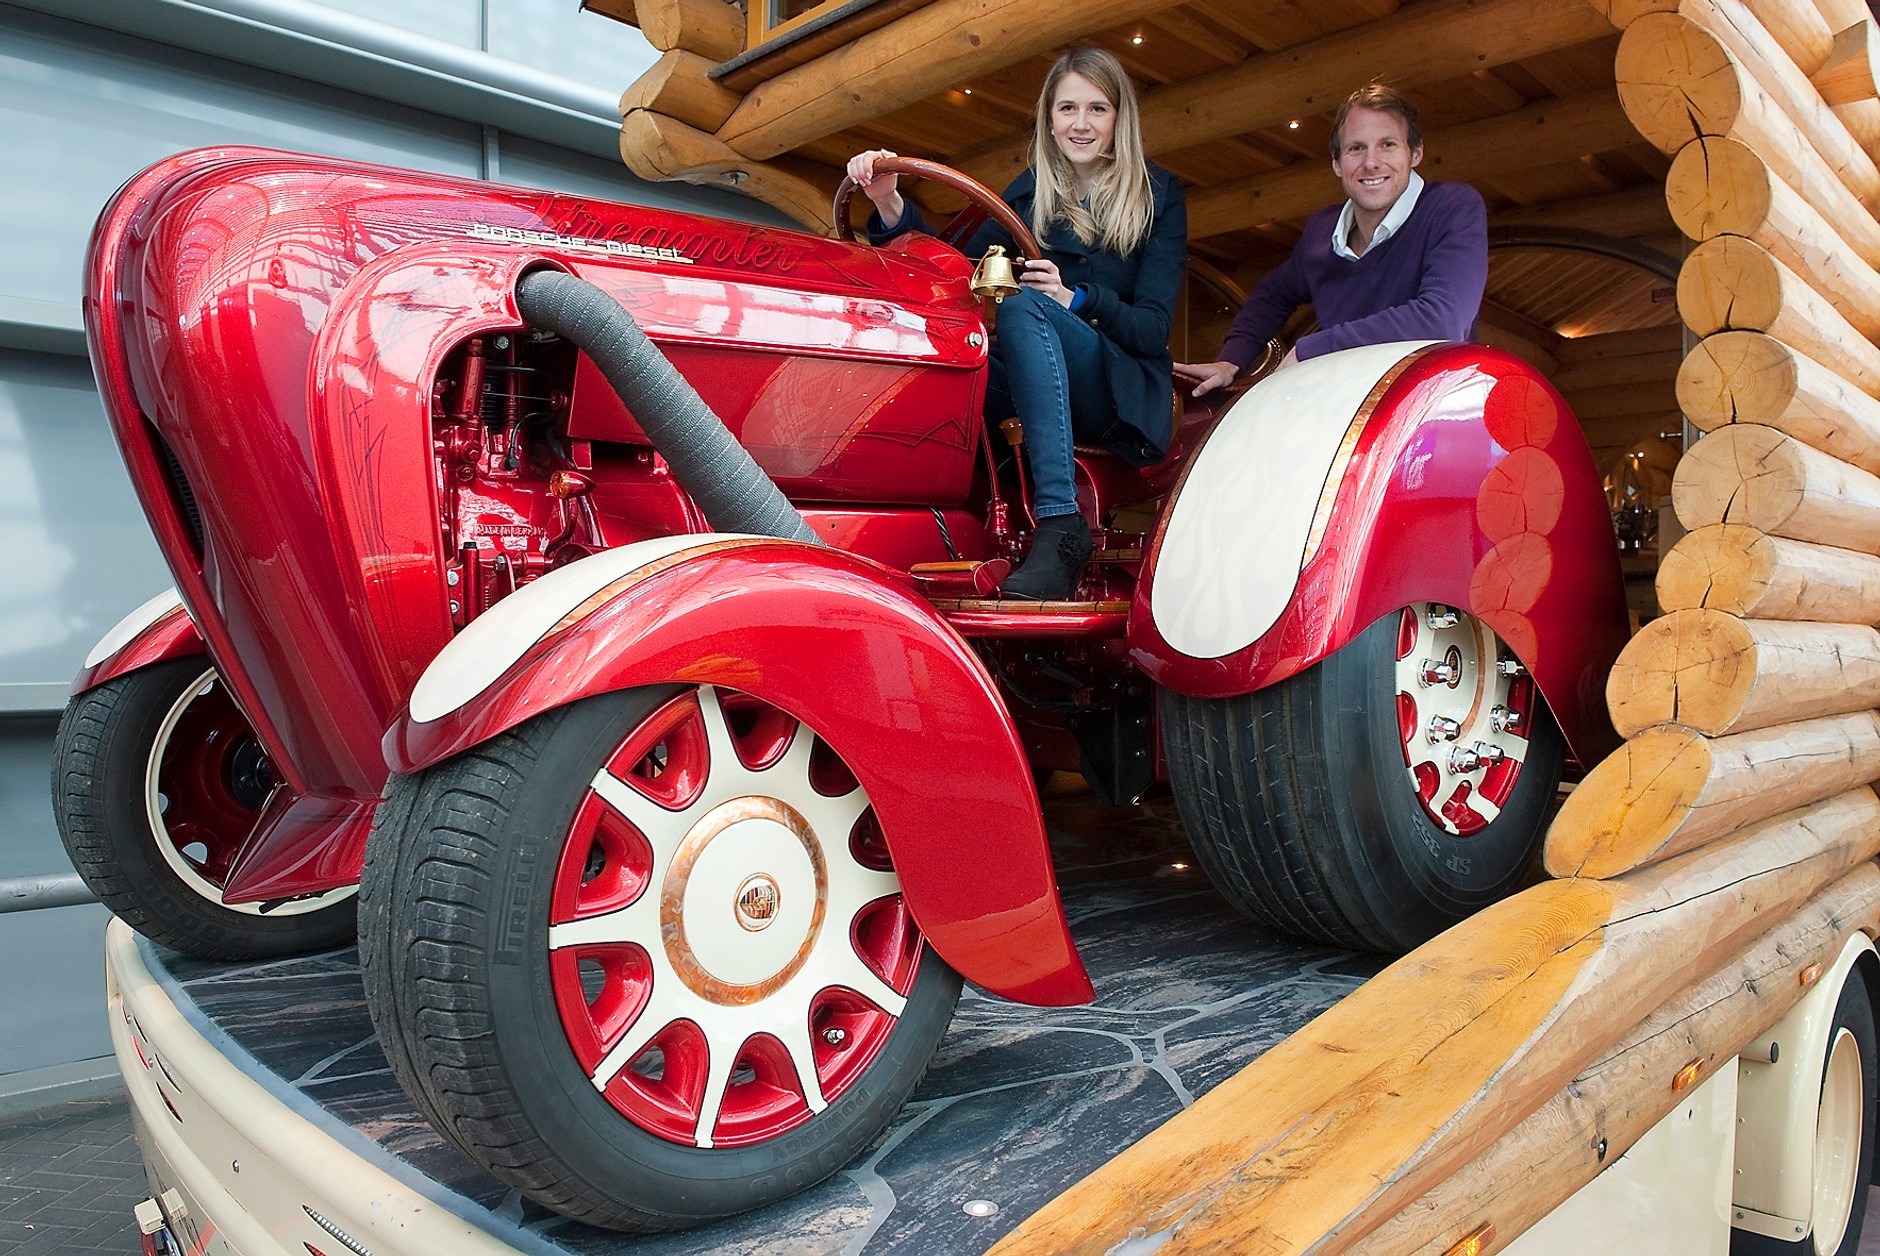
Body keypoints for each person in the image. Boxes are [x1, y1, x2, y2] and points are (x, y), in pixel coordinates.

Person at [846, 47, 1187, 601]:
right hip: (1038, 382)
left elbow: (1152, 330)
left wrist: (1075, 299)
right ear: (1049, 120)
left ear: (1119, 119)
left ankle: (1060, 523)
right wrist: (888, 204)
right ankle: (928, 515)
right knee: (956, 353)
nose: (1081, 124)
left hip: (1117, 393)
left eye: (1097, 109)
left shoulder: (1158, 196)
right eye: (1068, 109)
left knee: (1025, 306)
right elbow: (950, 269)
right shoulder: (1028, 193)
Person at [1176, 83, 1487, 396]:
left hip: (1429, 407)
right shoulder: (1323, 231)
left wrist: (1312, 350)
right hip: (1343, 408)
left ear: (1415, 153)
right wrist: (1231, 359)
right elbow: (1273, 293)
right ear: (1337, 163)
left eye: (1388, 145)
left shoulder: (1451, 207)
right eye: (1356, 148)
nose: (1371, 162)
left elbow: (1441, 321)